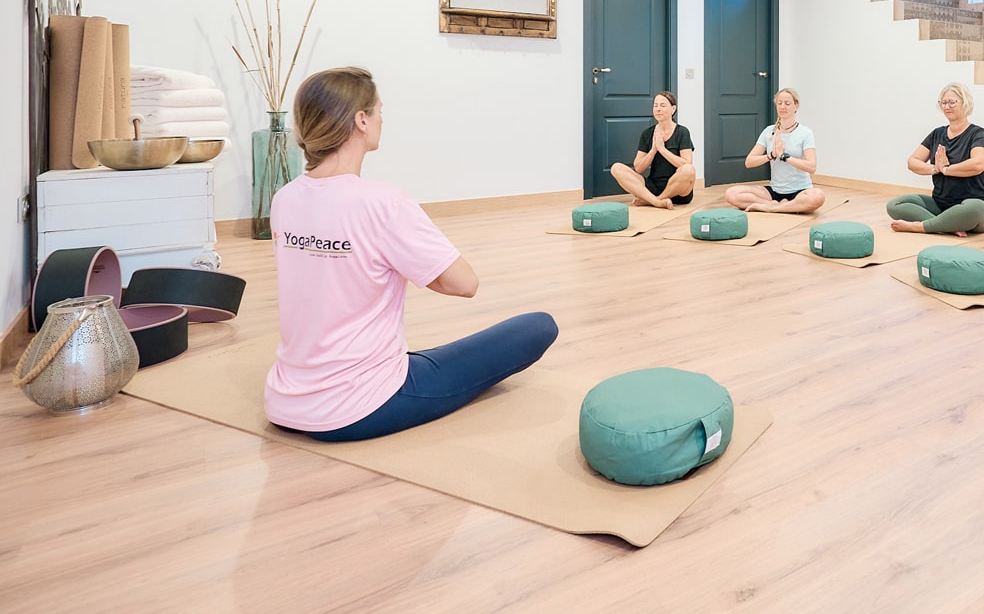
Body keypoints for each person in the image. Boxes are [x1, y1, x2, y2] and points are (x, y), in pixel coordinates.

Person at [264, 67, 558, 442]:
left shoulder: (285, 198)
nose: (381, 119)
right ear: (361, 120)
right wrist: (406, 263)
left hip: (284, 403)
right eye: (379, 111)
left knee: (429, 355)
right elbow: (464, 284)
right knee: (538, 327)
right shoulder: (384, 203)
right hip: (358, 408)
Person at [887, 82, 984, 236]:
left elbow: (978, 164)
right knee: (895, 204)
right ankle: (948, 224)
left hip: (977, 206)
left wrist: (946, 169)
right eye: (943, 103)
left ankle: (922, 226)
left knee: (974, 207)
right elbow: (912, 162)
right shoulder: (937, 134)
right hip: (941, 205)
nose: (947, 107)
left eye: (952, 102)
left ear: (965, 103)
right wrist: (935, 168)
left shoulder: (978, 134)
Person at [723, 87, 827, 213]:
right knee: (731, 194)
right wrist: (771, 155)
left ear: (796, 106)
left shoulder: (805, 133)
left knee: (817, 197)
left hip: (800, 191)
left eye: (787, 103)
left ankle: (772, 207)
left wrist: (785, 157)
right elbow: (749, 162)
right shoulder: (769, 131)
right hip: (774, 191)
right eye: (779, 103)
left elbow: (812, 167)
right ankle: (779, 206)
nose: (783, 107)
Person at [609, 91, 697, 208]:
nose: (658, 109)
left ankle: (653, 200)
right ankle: (657, 201)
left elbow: (686, 163)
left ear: (673, 109)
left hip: (678, 190)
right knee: (616, 168)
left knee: (688, 169)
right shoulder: (647, 134)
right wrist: (653, 150)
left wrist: (662, 149)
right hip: (653, 187)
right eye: (655, 106)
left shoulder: (682, 132)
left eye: (663, 105)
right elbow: (638, 168)